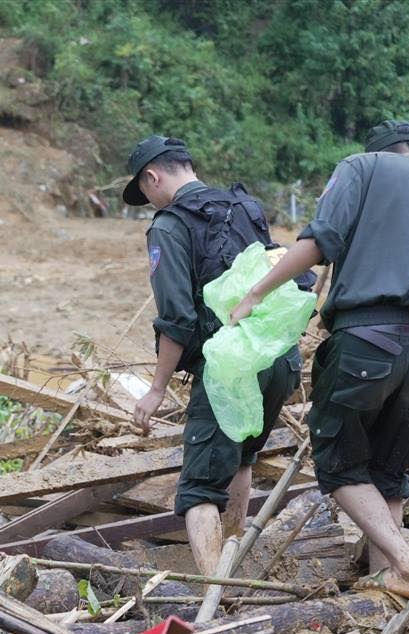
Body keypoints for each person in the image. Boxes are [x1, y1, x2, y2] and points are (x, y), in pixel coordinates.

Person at [230, 119, 409, 597]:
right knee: (390, 473)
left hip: (368, 339)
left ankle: (405, 568)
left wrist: (256, 293)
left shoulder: (360, 167)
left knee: (339, 464)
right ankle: (383, 583)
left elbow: (321, 241)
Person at [122, 136, 311, 576]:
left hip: (229, 368)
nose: (149, 204)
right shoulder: (245, 208)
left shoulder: (168, 226)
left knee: (199, 488)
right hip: (278, 361)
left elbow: (176, 317)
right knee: (241, 458)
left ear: (154, 177)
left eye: (145, 193)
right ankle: (234, 567)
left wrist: (156, 388)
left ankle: (213, 594)